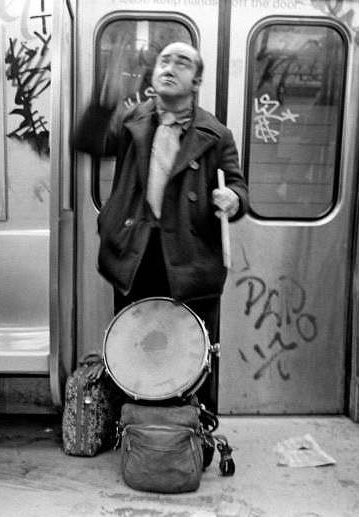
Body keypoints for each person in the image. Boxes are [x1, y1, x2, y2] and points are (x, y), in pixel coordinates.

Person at [74, 42, 249, 409]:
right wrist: (104, 100)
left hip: (190, 258)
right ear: (154, 76)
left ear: (197, 79)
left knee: (193, 350)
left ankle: (194, 432)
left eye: (182, 63)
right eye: (164, 61)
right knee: (135, 345)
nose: (170, 67)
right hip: (135, 254)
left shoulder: (217, 135)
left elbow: (237, 186)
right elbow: (88, 142)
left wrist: (233, 200)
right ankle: (137, 433)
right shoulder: (131, 121)